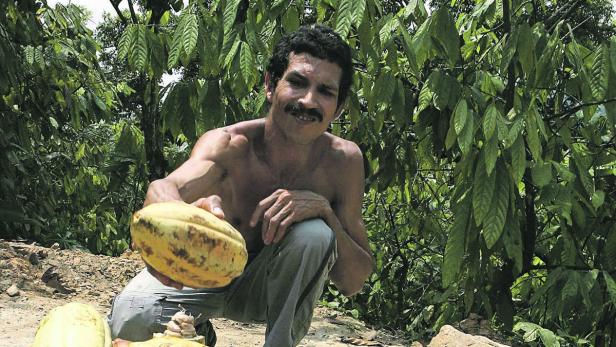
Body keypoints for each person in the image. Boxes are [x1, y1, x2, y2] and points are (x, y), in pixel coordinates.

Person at [108, 24, 374, 347]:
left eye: (325, 91)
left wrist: (323, 211)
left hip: (269, 292)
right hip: (200, 277)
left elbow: (354, 280)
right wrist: (174, 218)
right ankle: (196, 333)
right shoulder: (229, 147)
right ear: (269, 85)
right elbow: (164, 187)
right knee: (129, 318)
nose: (307, 100)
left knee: (316, 234)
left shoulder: (343, 163)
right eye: (297, 82)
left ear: (339, 107)